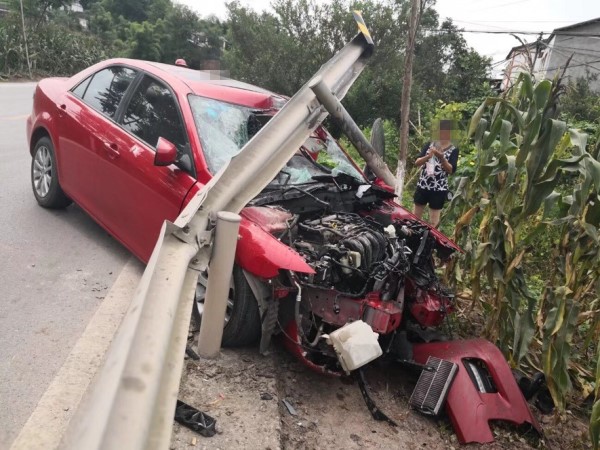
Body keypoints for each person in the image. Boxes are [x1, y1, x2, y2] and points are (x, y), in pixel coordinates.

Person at [413, 119, 459, 227]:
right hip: (423, 185)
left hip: (439, 189)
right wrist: (428, 156)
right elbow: (417, 162)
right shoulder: (430, 144)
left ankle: (430, 237)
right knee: (415, 218)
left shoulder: (454, 149)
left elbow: (451, 170)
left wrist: (442, 158)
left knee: (433, 223)